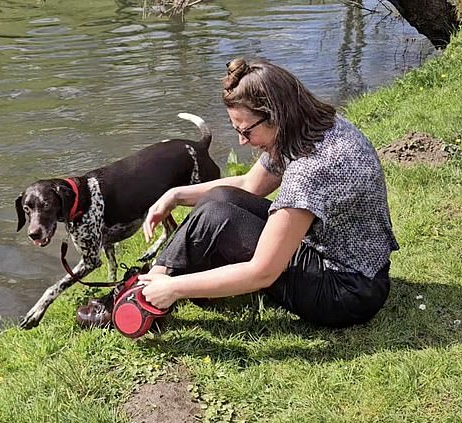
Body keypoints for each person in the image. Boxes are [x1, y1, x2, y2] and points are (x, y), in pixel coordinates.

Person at [134, 57, 400, 328]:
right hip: (359, 266)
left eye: (246, 131)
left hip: (346, 293)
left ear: (274, 115)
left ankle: (146, 296)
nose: (242, 141)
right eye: (236, 131)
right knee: (220, 200)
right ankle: (154, 280)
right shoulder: (316, 127)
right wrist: (176, 195)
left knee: (218, 216)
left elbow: (261, 273)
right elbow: (250, 185)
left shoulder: (311, 168)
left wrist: (176, 288)